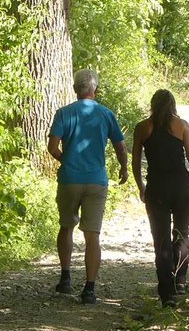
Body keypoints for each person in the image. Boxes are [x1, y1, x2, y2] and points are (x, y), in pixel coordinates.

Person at [47, 69, 128, 304]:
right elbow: (120, 146)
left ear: (75, 89)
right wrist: (124, 168)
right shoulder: (106, 114)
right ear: (96, 90)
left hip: (69, 179)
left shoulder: (63, 113)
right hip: (96, 180)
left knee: (66, 226)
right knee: (93, 236)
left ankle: (65, 278)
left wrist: (67, 160)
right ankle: (90, 288)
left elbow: (52, 147)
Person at [132, 89, 189, 307]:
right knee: (182, 233)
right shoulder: (182, 125)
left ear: (153, 105)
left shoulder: (142, 127)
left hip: (157, 189)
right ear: (173, 105)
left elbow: (135, 162)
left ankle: (167, 294)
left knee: (161, 239)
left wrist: (141, 186)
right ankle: (181, 281)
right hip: (182, 188)